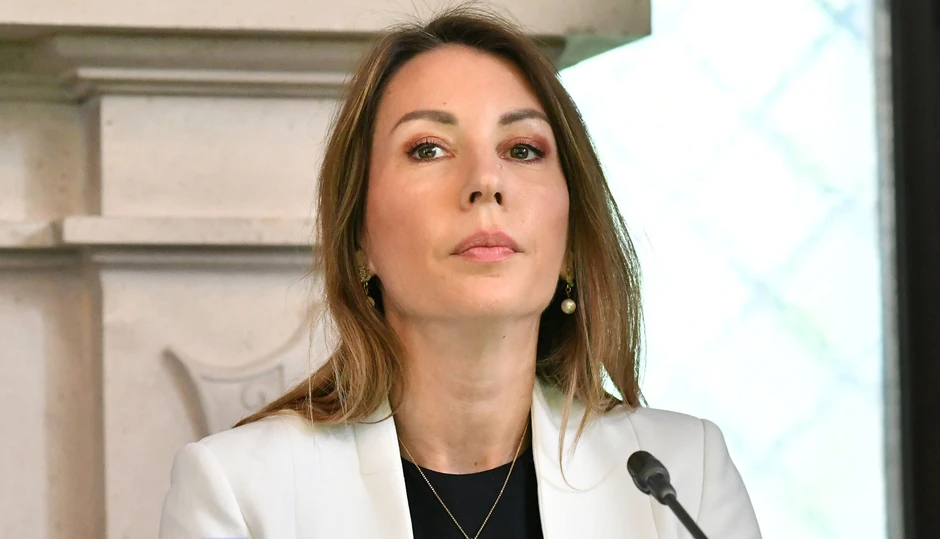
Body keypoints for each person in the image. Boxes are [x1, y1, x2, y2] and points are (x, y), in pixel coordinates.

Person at [158, 6, 762, 539]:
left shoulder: (684, 476)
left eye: (522, 149)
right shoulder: (240, 492)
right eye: (428, 148)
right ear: (359, 238)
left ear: (571, 238)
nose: (486, 181)